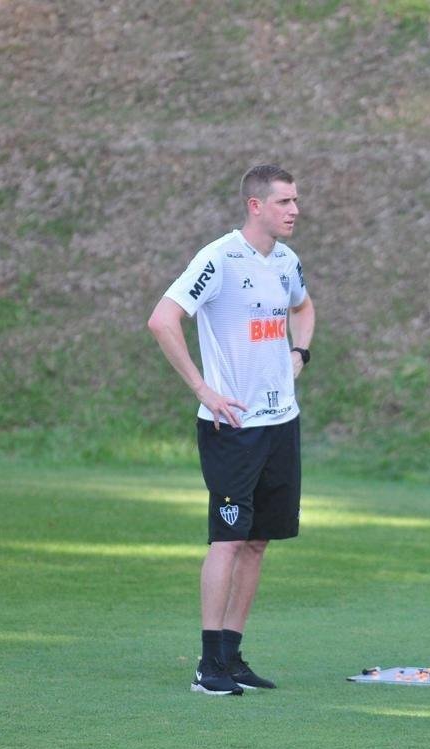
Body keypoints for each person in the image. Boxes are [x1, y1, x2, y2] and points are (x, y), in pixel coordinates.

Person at [147, 164, 316, 696]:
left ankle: (232, 656)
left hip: (280, 422)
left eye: (295, 201)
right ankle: (207, 666)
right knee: (228, 539)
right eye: (285, 201)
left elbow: (304, 308)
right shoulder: (218, 258)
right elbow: (163, 319)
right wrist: (203, 390)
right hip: (232, 427)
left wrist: (298, 352)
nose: (294, 210)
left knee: (258, 541)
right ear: (255, 206)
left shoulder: (286, 260)